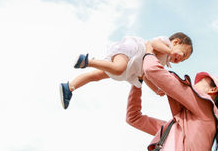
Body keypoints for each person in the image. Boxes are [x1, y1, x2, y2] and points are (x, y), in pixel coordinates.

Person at [59, 32, 193, 110]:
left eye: (184, 60)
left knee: (97, 76)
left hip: (131, 66)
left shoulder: (161, 63)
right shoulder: (166, 45)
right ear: (176, 42)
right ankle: (88, 61)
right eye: (184, 54)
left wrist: (157, 90)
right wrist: (170, 51)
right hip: (131, 50)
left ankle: (70, 87)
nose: (180, 59)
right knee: (117, 69)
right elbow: (153, 44)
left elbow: (146, 75)